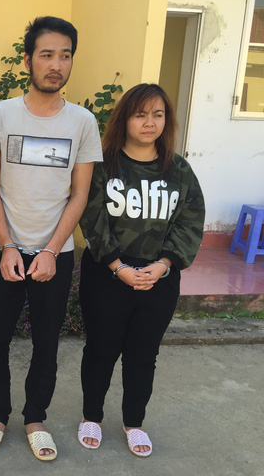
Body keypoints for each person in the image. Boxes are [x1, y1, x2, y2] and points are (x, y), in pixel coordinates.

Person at [0, 16, 102, 461]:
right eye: (47, 55)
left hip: (55, 254)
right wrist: (8, 245)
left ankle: (35, 419)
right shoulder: (0, 115)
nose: (56, 65)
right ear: (28, 60)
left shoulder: (83, 122)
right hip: (4, 249)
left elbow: (80, 193)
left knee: (47, 344)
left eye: (65, 56)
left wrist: (50, 250)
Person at [77, 83, 205, 457]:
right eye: (140, 114)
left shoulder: (179, 170)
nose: (150, 122)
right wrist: (118, 266)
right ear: (125, 119)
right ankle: (91, 416)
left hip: (158, 278)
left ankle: (134, 422)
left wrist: (164, 265)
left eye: (158, 114)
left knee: (143, 354)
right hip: (107, 274)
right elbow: (92, 217)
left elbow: (190, 221)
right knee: (100, 350)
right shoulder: (104, 165)